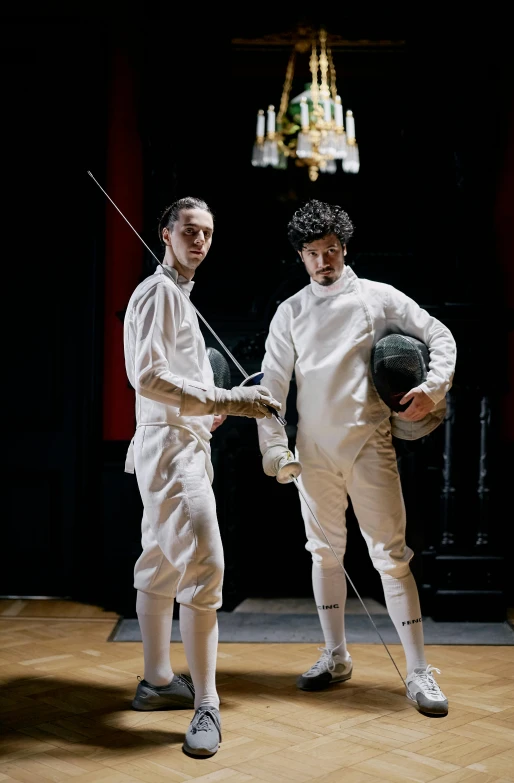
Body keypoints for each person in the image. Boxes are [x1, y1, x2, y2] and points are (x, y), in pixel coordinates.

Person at [257, 199, 456, 717]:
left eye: (331, 250)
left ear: (344, 248)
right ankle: (336, 655)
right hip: (314, 453)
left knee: (392, 557)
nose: (323, 261)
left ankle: (417, 672)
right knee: (324, 555)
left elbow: (440, 334)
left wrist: (433, 388)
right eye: (313, 253)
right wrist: (275, 448)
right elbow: (271, 389)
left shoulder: (378, 298)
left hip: (370, 445)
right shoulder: (291, 313)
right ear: (300, 257)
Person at [123, 196, 281, 757]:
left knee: (162, 559)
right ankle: (206, 705)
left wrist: (210, 413)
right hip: (170, 453)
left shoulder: (178, 297)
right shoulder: (158, 291)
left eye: (208, 233)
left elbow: (172, 385)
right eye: (189, 231)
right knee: (206, 565)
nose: (199, 241)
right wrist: (233, 400)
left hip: (178, 444)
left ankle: (158, 681)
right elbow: (147, 377)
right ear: (165, 234)